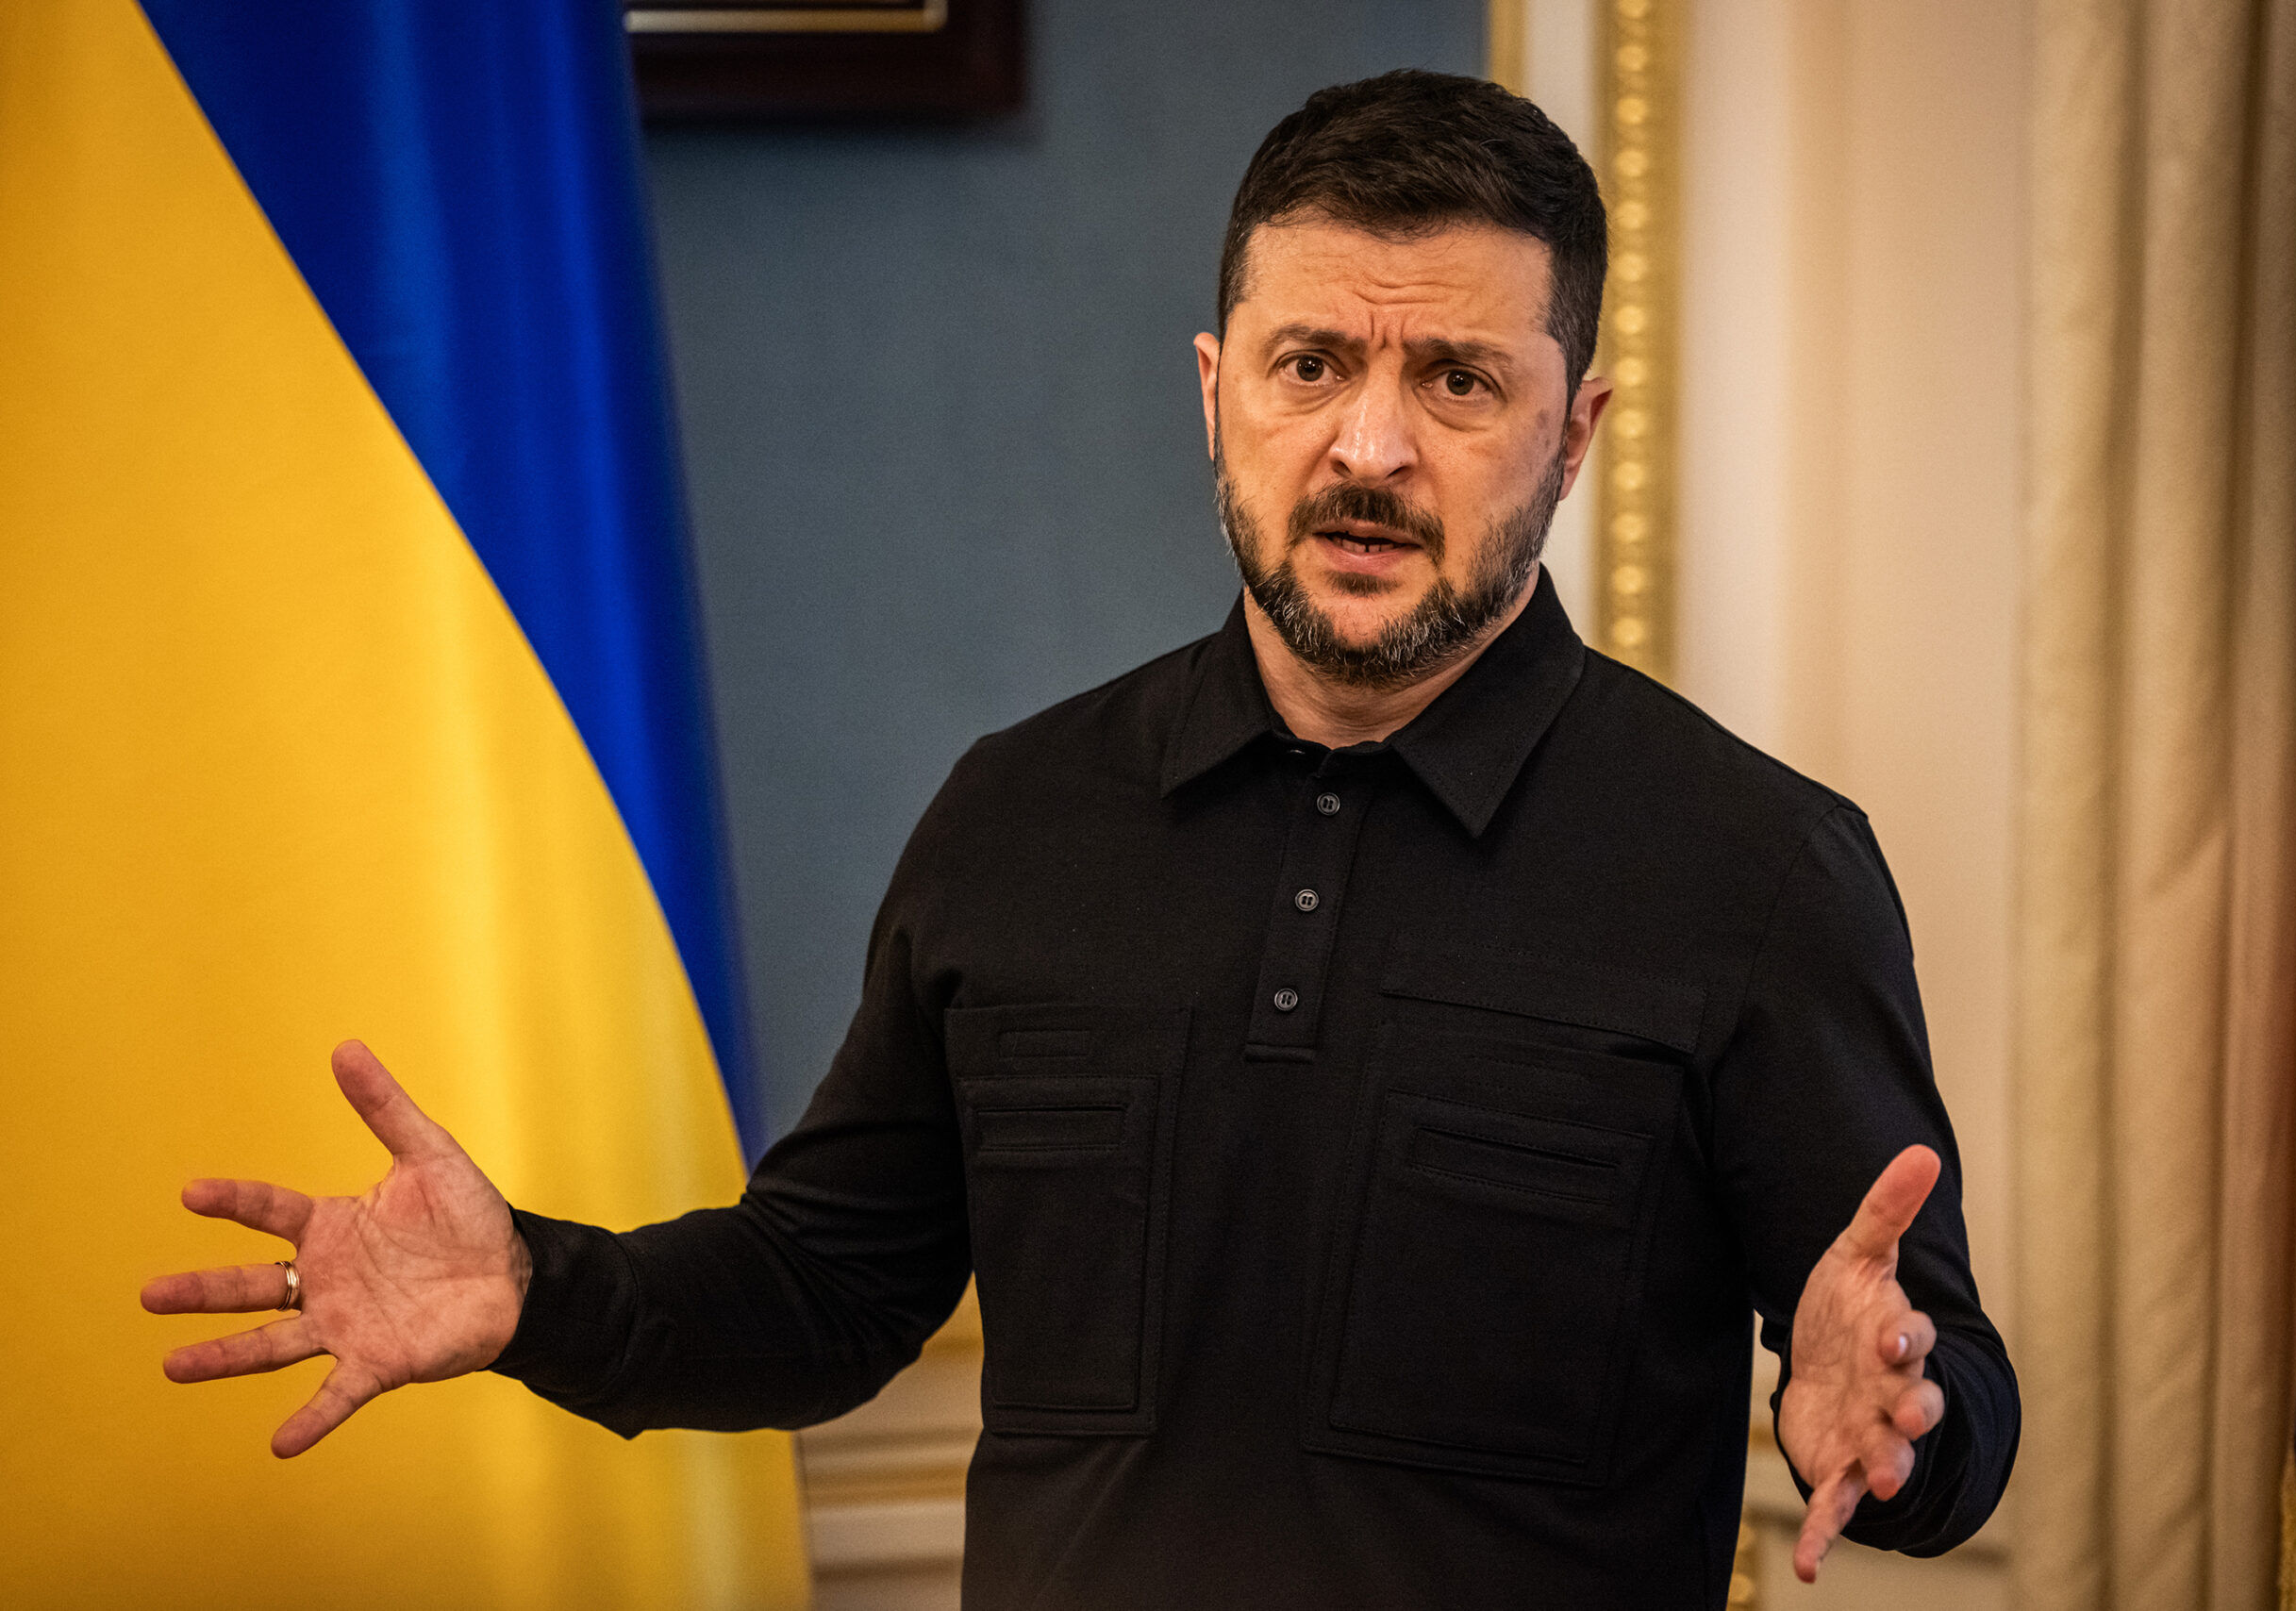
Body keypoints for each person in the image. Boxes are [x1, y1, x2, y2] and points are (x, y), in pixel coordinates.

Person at [142, 70, 2017, 1607]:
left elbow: (1942, 1402)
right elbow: (823, 1293)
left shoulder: (1756, 871)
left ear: (1574, 427)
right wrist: (536, 1293)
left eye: (1456, 380)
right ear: (1215, 391)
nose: (1367, 448)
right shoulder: (1015, 816)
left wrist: (1897, 1426)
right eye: (1308, 366)